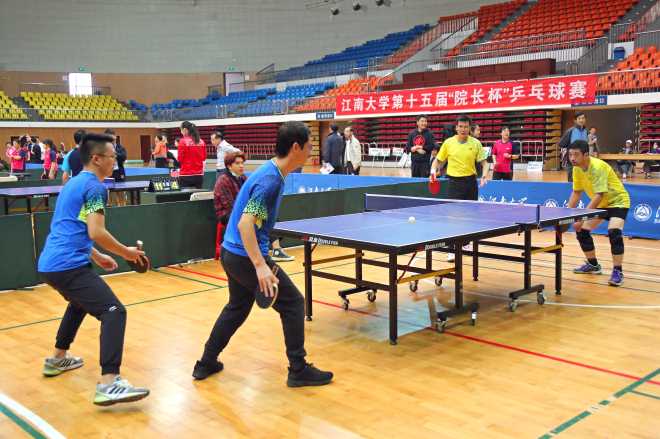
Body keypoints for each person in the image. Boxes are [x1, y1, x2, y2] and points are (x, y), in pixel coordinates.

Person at [193, 121, 333, 388]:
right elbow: (246, 224)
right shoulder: (270, 181)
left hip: (232, 253)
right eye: (309, 147)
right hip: (245, 257)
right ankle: (298, 369)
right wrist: (260, 265)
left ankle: (206, 362)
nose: (311, 152)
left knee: (237, 308)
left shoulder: (271, 172)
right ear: (296, 147)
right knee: (293, 304)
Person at [37, 133, 150, 405]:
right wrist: (127, 253)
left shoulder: (73, 184)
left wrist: (97, 256)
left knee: (78, 303)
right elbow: (96, 231)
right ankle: (109, 382)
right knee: (114, 311)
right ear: (97, 159)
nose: (115, 161)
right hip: (67, 264)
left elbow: (72, 226)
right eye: (112, 157)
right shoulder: (96, 188)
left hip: (50, 263)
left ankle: (58, 358)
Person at [567, 140, 630, 287]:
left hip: (618, 202)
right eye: (570, 155)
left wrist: (582, 217)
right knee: (582, 231)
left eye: (576, 155)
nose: (572, 158)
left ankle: (618, 271)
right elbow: (576, 192)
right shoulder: (576, 169)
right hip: (602, 205)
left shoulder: (597, 167)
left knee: (614, 232)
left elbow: (599, 195)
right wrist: (567, 215)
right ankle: (593, 264)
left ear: (586, 155)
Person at [431, 115, 490, 262]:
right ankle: (451, 249)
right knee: (454, 216)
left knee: (470, 215)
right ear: (456, 128)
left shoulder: (476, 143)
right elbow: (438, 161)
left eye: (466, 127)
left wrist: (484, 175)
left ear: (469, 128)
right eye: (461, 126)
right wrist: (433, 172)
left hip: (470, 183)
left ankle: (465, 243)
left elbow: (484, 163)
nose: (463, 129)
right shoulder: (448, 143)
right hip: (454, 183)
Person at [214, 152, 247, 227]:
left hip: (241, 210)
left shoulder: (243, 177)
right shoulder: (223, 180)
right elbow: (229, 205)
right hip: (227, 214)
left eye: (242, 163)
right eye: (237, 163)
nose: (241, 166)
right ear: (229, 166)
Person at [559, 112, 588, 182]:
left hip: (583, 161)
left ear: (585, 119)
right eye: (579, 118)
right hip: (572, 160)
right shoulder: (570, 131)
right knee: (572, 181)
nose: (581, 120)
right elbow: (561, 143)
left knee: (582, 180)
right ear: (575, 120)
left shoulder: (586, 131)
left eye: (583, 118)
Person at [178, 121, 207, 188]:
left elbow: (180, 159)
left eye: (180, 130)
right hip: (199, 175)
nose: (181, 132)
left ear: (185, 130)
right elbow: (204, 157)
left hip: (186, 175)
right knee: (197, 194)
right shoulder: (201, 141)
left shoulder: (183, 141)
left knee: (185, 195)